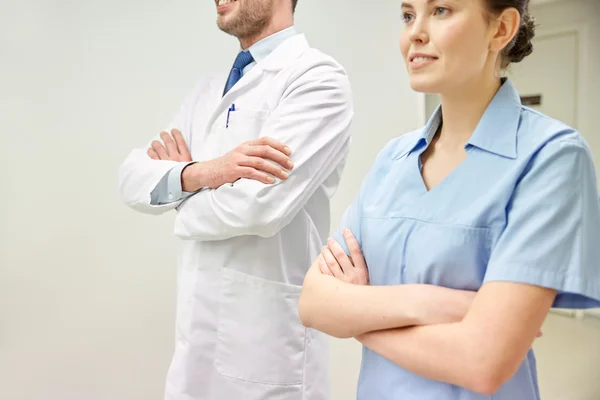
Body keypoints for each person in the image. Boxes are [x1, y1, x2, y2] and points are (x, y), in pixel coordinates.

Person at [298, 0, 600, 399]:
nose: (415, 33)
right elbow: (314, 303)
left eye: (441, 10)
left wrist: (359, 315)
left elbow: (482, 364)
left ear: (501, 28)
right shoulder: (393, 159)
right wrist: (433, 303)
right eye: (408, 15)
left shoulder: (550, 157)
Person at [118, 0, 354, 399]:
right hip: (195, 349)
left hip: (267, 354)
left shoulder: (316, 80)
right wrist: (206, 172)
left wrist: (177, 193)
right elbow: (131, 178)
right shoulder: (209, 90)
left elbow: (258, 207)